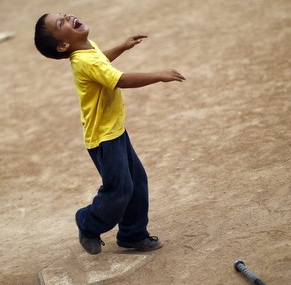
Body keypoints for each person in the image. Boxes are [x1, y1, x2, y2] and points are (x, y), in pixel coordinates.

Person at [34, 13, 185, 255]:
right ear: (63, 45)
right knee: (119, 188)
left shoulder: (86, 48)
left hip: (114, 130)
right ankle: (87, 221)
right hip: (103, 138)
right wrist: (158, 75)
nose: (67, 16)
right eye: (61, 23)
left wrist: (122, 47)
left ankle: (132, 235)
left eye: (63, 14)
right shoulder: (83, 61)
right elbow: (120, 79)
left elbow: (101, 62)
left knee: (136, 182)